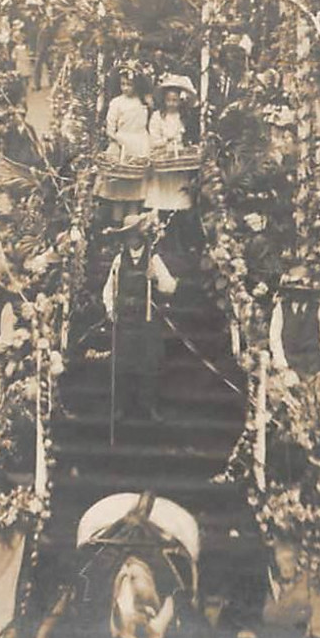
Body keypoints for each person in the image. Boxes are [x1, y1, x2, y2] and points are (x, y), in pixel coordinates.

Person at [102, 213, 178, 423]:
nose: (130, 240)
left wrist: (155, 279)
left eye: (133, 235)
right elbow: (109, 288)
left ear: (140, 236)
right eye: (126, 236)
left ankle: (150, 407)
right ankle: (121, 407)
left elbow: (170, 287)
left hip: (146, 320)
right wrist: (110, 309)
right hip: (124, 320)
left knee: (149, 364)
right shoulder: (119, 259)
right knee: (122, 364)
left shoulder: (153, 258)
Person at [96, 65, 151, 224]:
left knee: (135, 189)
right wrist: (119, 140)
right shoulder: (116, 103)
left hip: (140, 144)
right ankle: (116, 223)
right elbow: (110, 128)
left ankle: (132, 223)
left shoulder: (143, 102)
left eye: (129, 84)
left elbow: (146, 124)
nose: (126, 88)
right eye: (123, 84)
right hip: (121, 146)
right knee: (119, 188)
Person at [269, 264, 320, 379]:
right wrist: (283, 365)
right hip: (288, 363)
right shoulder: (281, 308)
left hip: (313, 366)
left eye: (303, 292)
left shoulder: (319, 309)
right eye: (295, 291)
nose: (299, 294)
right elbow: (275, 338)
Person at [145, 75, 197, 215]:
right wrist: (166, 140)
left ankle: (178, 214)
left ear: (180, 101)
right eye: (168, 100)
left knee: (178, 190)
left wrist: (185, 145)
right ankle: (161, 215)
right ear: (164, 100)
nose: (171, 104)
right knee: (162, 190)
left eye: (175, 100)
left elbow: (188, 139)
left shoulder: (183, 117)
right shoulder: (157, 116)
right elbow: (153, 140)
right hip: (162, 157)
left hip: (179, 159)